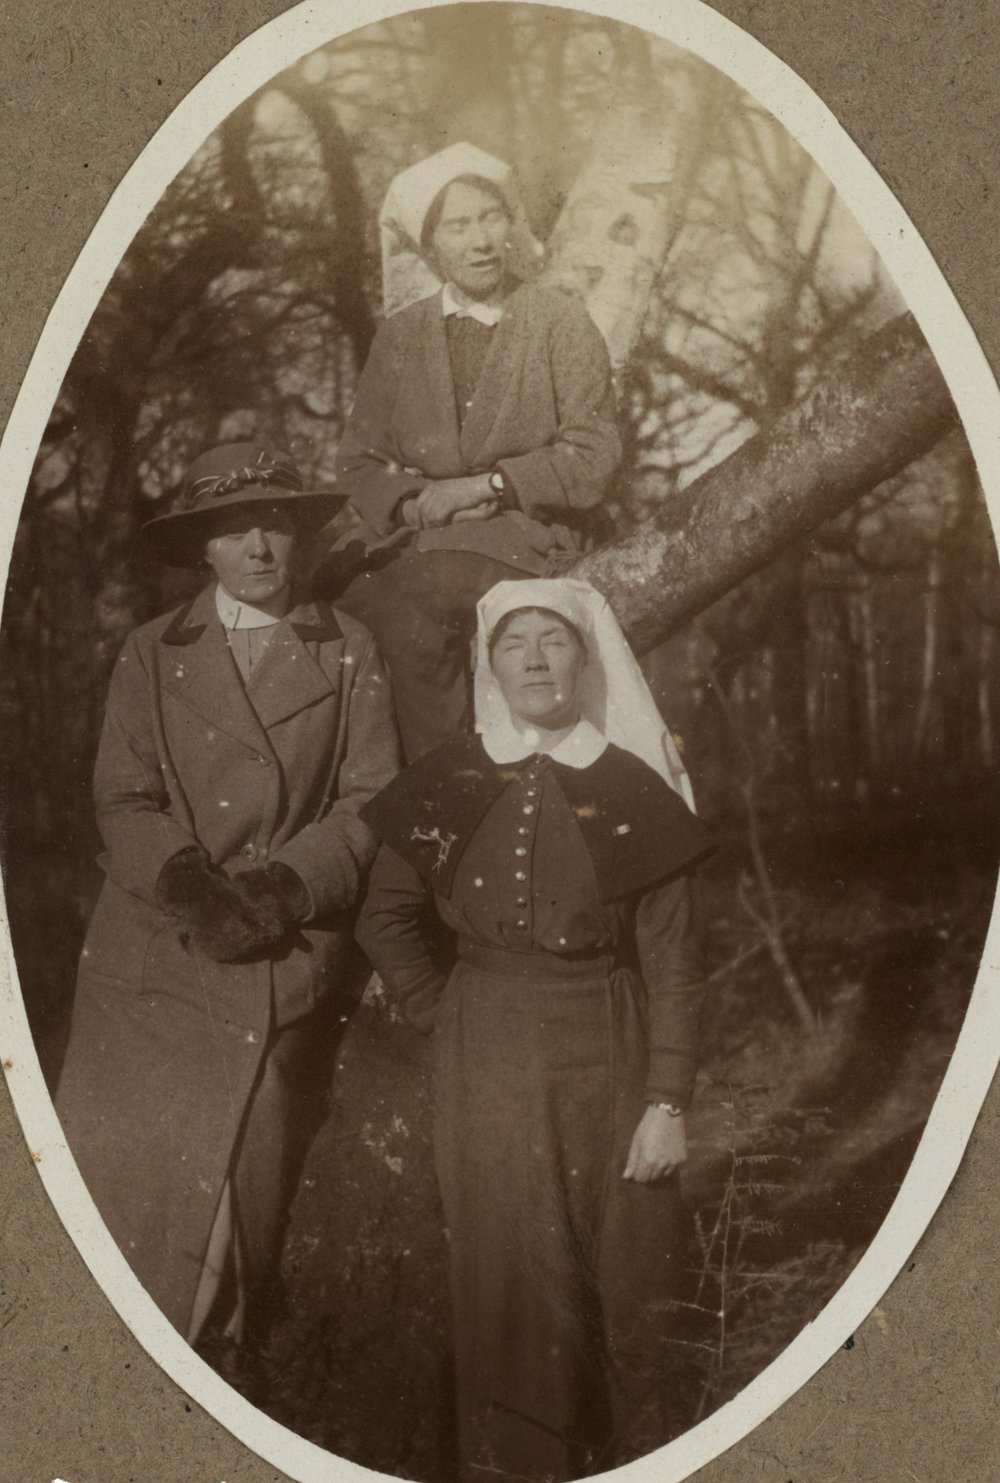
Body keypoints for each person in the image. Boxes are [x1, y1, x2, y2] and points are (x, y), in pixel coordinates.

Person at [356, 577, 712, 1482]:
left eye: (554, 640)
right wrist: (450, 1021)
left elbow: (674, 959)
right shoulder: (450, 775)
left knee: (632, 1277)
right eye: (515, 643)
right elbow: (386, 918)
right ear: (491, 663)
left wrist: (668, 1098)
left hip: (612, 1040)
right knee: (510, 1281)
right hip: (487, 1052)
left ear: (584, 659)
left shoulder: (632, 785)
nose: (536, 660)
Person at [55, 443, 400, 1359]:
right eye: (232, 529)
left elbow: (373, 800)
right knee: (115, 1198)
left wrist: (288, 882)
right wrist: (185, 882)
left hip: (279, 950)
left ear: (300, 537)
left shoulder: (348, 647)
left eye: (277, 524)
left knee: (226, 1203)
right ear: (202, 549)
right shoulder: (150, 650)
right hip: (156, 947)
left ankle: (207, 1373)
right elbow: (122, 798)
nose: (258, 546)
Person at [327, 142, 622, 762]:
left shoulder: (558, 321)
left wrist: (486, 488)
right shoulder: (402, 335)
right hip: (423, 538)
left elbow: (593, 455)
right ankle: (391, 800)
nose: (481, 241)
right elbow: (357, 464)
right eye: (457, 226)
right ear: (429, 244)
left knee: (422, 603)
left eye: (491, 217)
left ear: (513, 225)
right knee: (340, 609)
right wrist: (415, 507)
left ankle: (451, 792)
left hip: (528, 537)